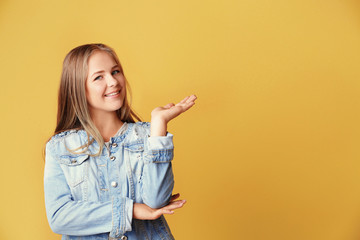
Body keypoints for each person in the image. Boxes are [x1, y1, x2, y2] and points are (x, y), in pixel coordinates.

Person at [44, 43, 197, 240]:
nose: (113, 81)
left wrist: (159, 126)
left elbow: (156, 202)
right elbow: (59, 217)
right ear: (77, 87)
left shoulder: (146, 136)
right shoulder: (60, 148)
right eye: (99, 77)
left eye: (115, 72)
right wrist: (130, 210)